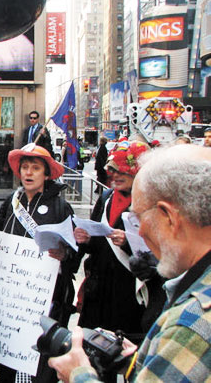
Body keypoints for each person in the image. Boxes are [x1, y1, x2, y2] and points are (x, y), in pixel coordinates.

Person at [49, 144, 211, 382]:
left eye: (139, 216)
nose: (141, 230)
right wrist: (135, 362)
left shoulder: (190, 325)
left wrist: (78, 374)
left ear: (169, 217)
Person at [0, 144, 78, 382]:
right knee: (6, 355)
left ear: (46, 174)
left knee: (43, 362)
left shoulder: (60, 207)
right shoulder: (12, 201)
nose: (28, 173)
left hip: (46, 297)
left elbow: (75, 250)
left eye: (35, 168)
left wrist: (65, 254)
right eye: (25, 167)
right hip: (11, 295)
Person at [74, 140, 151, 343]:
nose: (114, 176)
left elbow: (159, 252)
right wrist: (86, 240)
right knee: (94, 349)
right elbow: (96, 239)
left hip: (128, 290)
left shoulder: (151, 203)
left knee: (127, 352)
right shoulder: (107, 197)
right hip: (100, 287)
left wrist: (127, 242)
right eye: (112, 170)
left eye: (121, 171)